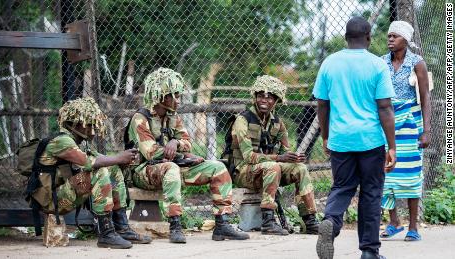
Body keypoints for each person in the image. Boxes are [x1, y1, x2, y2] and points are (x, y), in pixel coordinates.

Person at [126, 67, 250, 243]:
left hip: (173, 168)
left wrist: (175, 143)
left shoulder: (173, 117)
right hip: (144, 172)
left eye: (178, 95)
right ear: (161, 96)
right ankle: (175, 226)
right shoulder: (141, 118)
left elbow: (187, 142)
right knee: (171, 168)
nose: (178, 100)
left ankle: (222, 225)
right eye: (174, 95)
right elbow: (151, 152)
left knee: (218, 168)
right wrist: (183, 156)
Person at [313, 17, 397, 259]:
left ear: (346, 38)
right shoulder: (377, 65)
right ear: (369, 37)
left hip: (341, 139)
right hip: (370, 140)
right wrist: (392, 146)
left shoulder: (330, 63)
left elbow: (322, 104)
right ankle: (370, 252)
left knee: (342, 186)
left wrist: (326, 137)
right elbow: (384, 107)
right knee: (371, 193)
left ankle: (331, 221)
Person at [30, 97, 151, 249]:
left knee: (112, 169)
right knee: (99, 172)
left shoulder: (75, 140)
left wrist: (120, 159)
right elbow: (89, 162)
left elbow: (99, 157)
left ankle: (122, 228)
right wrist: (119, 157)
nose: (93, 130)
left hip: (62, 195)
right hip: (51, 202)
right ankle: (106, 233)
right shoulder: (62, 141)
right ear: (76, 123)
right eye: (89, 124)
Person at [229, 75, 319, 236]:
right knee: (274, 166)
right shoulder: (242, 120)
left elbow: (285, 152)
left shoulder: (278, 123)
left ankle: (310, 220)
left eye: (269, 97)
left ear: (276, 101)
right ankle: (268, 221)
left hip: (268, 170)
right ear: (255, 97)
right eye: (261, 96)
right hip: (243, 172)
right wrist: (279, 158)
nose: (264, 100)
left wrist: (294, 158)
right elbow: (249, 157)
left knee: (300, 168)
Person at [379, 21, 432, 242]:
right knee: (386, 171)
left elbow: (425, 97)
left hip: (410, 122)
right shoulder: (381, 62)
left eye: (395, 36)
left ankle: (413, 226)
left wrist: (426, 130)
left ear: (406, 40)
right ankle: (394, 221)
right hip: (386, 120)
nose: (390, 39)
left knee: (410, 173)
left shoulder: (416, 63)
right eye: (389, 36)